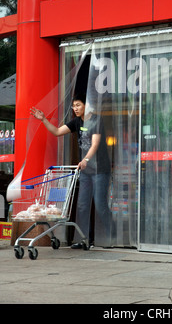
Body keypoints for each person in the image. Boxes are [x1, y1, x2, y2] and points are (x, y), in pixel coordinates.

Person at [30, 93, 112, 248]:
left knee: (100, 204)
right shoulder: (76, 122)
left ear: (86, 105)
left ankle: (111, 237)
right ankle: (83, 239)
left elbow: (95, 144)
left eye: (78, 105)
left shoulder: (96, 120)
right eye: (74, 106)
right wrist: (43, 119)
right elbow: (57, 132)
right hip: (86, 172)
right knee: (82, 205)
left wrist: (86, 159)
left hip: (100, 169)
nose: (75, 108)